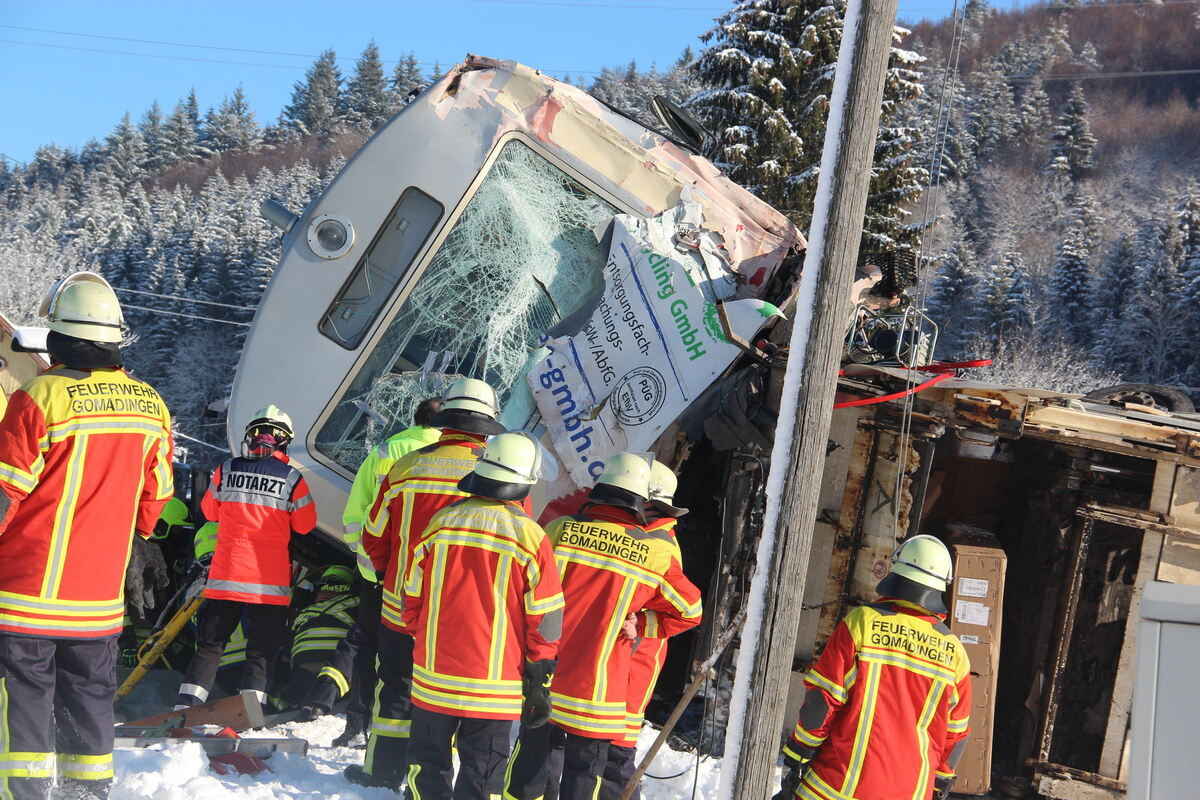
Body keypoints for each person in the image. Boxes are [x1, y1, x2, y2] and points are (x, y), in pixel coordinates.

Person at [0, 272, 174, 800]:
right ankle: (87, 792)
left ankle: (24, 793)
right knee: (89, 700)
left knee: (23, 701)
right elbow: (155, 499)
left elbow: (5, 492)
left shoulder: (39, 397)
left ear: (59, 336)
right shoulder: (151, 405)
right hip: (98, 601)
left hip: (26, 593)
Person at [506, 453, 703, 800]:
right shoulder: (654, 553)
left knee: (530, 769)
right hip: (599, 692)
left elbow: (524, 592)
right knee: (586, 777)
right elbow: (691, 610)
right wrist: (643, 623)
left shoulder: (559, 529)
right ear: (641, 500)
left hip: (547, 677)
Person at [347, 377, 506, 789]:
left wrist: (390, 575)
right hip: (464, 618)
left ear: (447, 419)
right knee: (449, 703)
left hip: (401, 606)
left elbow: (373, 536)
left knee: (395, 688)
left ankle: (382, 772)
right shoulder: (499, 476)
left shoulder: (405, 467)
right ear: (487, 424)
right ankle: (435, 782)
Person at [403, 432, 564, 799]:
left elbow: (411, 594)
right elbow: (546, 616)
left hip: (433, 674)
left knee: (426, 768)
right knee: (482, 776)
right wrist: (539, 672)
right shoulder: (529, 536)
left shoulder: (441, 522)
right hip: (493, 686)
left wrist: (423, 637)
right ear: (524, 482)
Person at [775, 535, 971, 800]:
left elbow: (823, 698)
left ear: (896, 571)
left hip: (836, 787)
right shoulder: (955, 652)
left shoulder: (863, 623)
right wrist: (941, 781)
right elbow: (956, 734)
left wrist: (800, 750)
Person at [299, 397, 442, 745]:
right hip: (431, 577)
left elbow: (354, 516)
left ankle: (358, 726)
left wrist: (367, 561)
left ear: (416, 419)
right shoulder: (458, 457)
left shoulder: (385, 451)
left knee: (368, 644)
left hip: (379, 574)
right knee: (427, 650)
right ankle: (420, 731)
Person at [174, 405, 317, 710]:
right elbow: (305, 525)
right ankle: (251, 713)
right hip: (268, 584)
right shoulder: (292, 479)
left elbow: (210, 513)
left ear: (251, 436)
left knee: (210, 646)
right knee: (261, 651)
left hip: (226, 578)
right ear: (284, 441)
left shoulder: (226, 470)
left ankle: (185, 709)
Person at [600, 461, 691, 800]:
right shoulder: (655, 535)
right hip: (628, 654)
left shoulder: (657, 544)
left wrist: (639, 624)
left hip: (635, 658)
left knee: (616, 757)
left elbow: (687, 609)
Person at [282, 565, 359, 706]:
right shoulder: (355, 601)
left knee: (296, 702)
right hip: (337, 668)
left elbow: (287, 648)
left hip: (302, 668)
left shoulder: (305, 612)